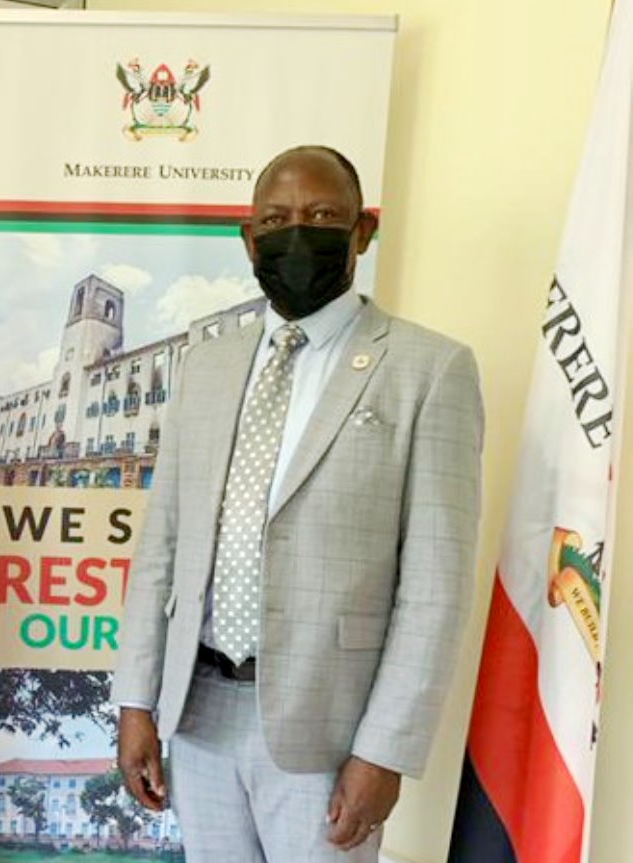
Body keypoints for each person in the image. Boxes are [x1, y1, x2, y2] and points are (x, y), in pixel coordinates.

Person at [112, 145, 484, 862]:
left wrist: (385, 750)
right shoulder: (209, 366)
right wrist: (136, 700)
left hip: (329, 730)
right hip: (201, 713)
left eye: (321, 216)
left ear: (363, 231)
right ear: (250, 239)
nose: (297, 232)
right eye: (277, 219)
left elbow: (435, 587)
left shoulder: (429, 370)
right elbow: (161, 549)